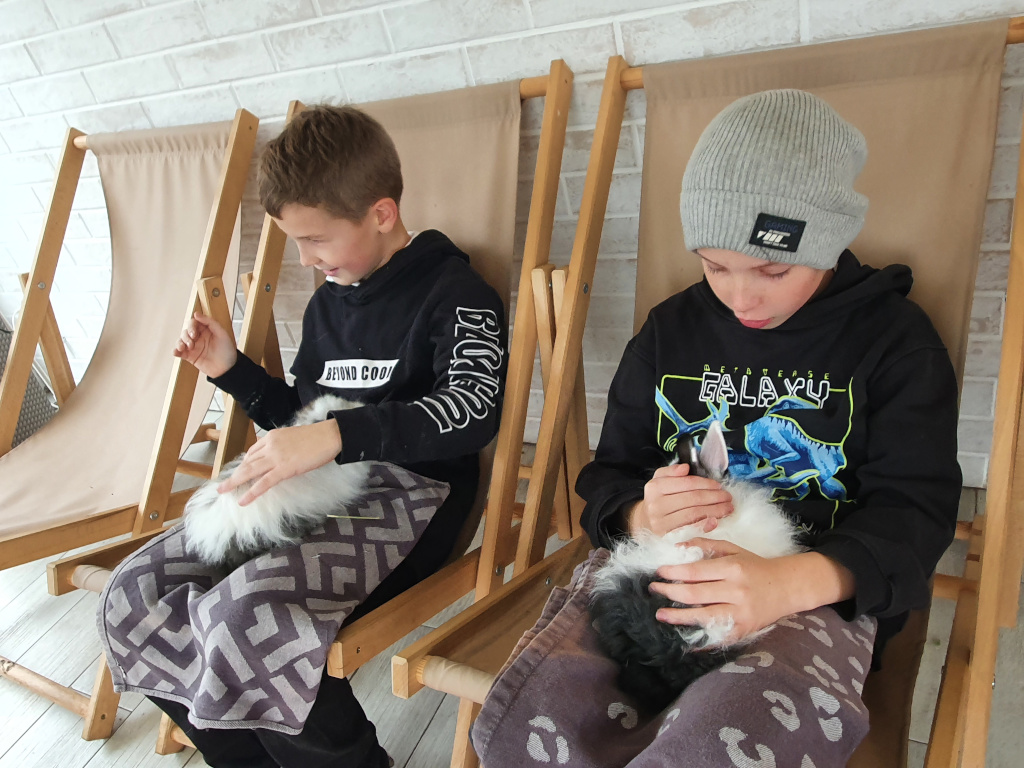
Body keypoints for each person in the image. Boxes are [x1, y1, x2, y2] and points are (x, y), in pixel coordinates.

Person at [470, 89, 960, 767]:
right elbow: (609, 476)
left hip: (812, 594)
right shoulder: (670, 331)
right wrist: (641, 513)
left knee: (725, 739)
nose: (740, 295)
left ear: (829, 240)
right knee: (534, 712)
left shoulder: (896, 343)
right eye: (715, 265)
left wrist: (791, 584)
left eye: (773, 269)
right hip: (655, 569)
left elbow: (917, 516)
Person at [161, 104, 508, 768]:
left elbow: (472, 410)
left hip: (414, 498)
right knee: (145, 594)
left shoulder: (457, 293)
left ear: (381, 213)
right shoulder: (329, 304)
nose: (304, 259)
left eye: (316, 240)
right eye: (294, 242)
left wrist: (339, 436)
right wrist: (231, 371)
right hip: (317, 494)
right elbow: (303, 420)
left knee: (250, 621)